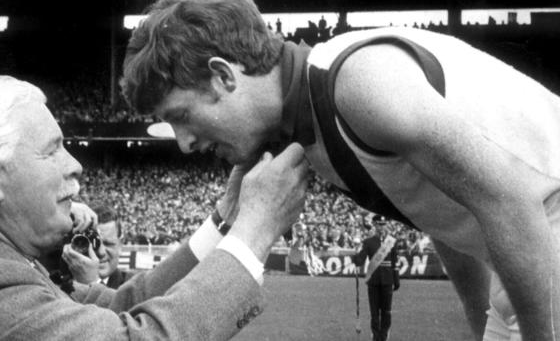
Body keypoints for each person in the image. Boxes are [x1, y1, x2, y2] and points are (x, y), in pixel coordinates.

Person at [120, 0, 560, 341]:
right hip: (529, 252)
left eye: (182, 115)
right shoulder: (303, 122)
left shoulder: (355, 84)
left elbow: (512, 200)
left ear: (223, 76)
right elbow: (445, 213)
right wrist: (480, 323)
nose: (185, 142)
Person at [0, 76, 309, 340]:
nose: (75, 165)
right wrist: (254, 231)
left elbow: (128, 302)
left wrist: (227, 217)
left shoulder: (23, 266)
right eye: (51, 150)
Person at [62, 205, 136, 289]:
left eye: (108, 244)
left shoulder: (134, 287)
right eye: (94, 243)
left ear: (120, 245)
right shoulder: (56, 282)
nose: (101, 252)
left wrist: (91, 283)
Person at [354, 215, 400, 341]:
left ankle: (384, 337)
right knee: (374, 313)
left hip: (387, 280)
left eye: (383, 224)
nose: (382, 227)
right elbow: (360, 260)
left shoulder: (392, 242)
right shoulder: (368, 242)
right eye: (379, 224)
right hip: (373, 281)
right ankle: (375, 336)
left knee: (386, 312)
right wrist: (355, 254)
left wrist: (396, 280)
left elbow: (395, 263)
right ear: (374, 225)